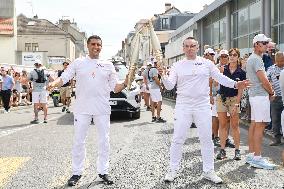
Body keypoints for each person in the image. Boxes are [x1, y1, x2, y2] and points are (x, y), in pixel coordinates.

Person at [160, 37, 249, 184]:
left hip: (202, 105)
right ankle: (172, 170)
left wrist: (236, 84)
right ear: (183, 48)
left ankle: (209, 171)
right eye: (187, 46)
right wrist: (163, 75)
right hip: (183, 105)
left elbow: (220, 77)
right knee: (178, 138)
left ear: (197, 47)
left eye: (192, 46)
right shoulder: (177, 65)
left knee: (206, 139)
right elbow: (169, 86)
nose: (190, 49)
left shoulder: (207, 63)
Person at [48, 35, 129, 186]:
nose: (96, 47)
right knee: (79, 141)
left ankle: (103, 171)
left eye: (99, 44)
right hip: (82, 109)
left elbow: (115, 88)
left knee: (104, 141)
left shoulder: (108, 65)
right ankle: (76, 173)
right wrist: (54, 84)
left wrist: (125, 83)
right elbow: (64, 77)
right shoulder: (79, 63)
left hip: (102, 108)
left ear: (101, 47)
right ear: (88, 45)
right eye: (93, 44)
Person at [245, 34, 277, 170]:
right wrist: (271, 92)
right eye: (264, 43)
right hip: (259, 96)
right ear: (257, 44)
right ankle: (257, 158)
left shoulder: (253, 58)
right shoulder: (257, 59)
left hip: (254, 95)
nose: (266, 45)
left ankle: (252, 155)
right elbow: (264, 80)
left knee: (254, 124)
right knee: (260, 125)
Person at [216, 48, 246, 160]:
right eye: (230, 55)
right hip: (222, 98)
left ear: (238, 57)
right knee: (222, 125)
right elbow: (215, 83)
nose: (232, 56)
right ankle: (222, 150)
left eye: (234, 55)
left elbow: (240, 90)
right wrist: (219, 73)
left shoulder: (242, 72)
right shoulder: (223, 69)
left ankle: (237, 150)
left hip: (234, 100)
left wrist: (237, 104)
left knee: (235, 125)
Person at [267, 51, 284, 146]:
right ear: (275, 60)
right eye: (279, 61)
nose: (281, 63)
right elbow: (266, 80)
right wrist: (270, 94)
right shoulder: (271, 69)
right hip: (276, 97)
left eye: (283, 61)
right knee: (275, 118)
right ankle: (277, 139)